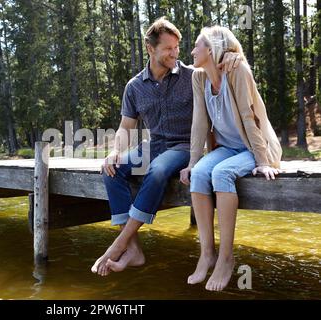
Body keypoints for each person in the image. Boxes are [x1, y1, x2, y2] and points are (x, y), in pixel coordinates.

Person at [92, 17, 241, 277]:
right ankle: (134, 249)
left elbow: (224, 67)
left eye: (177, 48)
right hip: (154, 145)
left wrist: (233, 58)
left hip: (183, 147)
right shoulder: (135, 86)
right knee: (110, 170)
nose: (175, 53)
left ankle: (119, 243)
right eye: (168, 48)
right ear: (151, 49)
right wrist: (115, 151)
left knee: (158, 170)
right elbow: (126, 127)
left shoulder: (194, 76)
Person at [180, 26, 282, 291]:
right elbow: (199, 123)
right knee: (201, 173)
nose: (192, 51)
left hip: (252, 147)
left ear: (212, 49)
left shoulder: (237, 71)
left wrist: (262, 160)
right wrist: (192, 162)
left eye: (197, 45)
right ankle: (207, 254)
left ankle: (226, 258)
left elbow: (250, 118)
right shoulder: (199, 78)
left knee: (220, 174)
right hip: (226, 149)